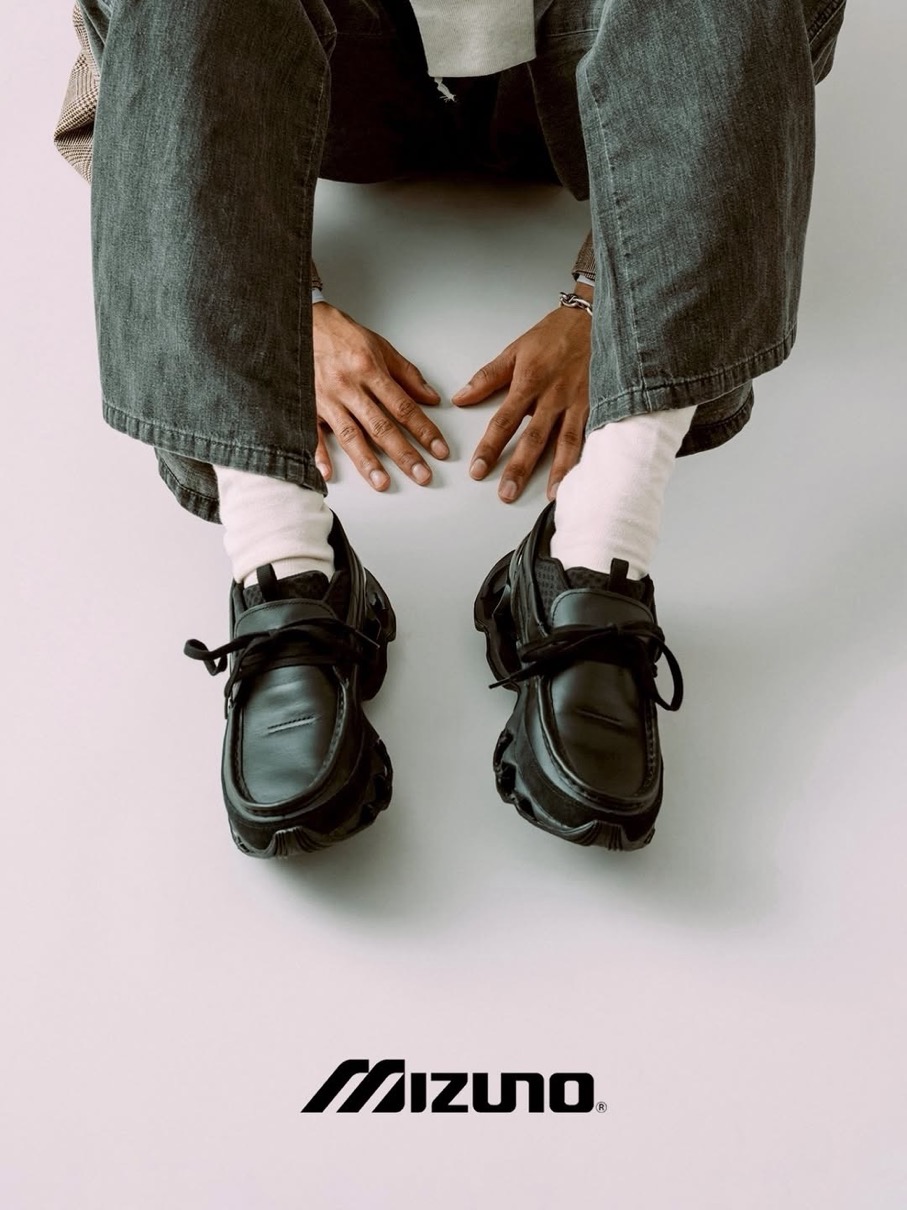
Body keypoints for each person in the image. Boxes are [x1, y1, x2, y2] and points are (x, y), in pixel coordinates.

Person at [53, 0, 848, 857]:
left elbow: (764, 55)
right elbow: (132, 80)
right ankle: (278, 564)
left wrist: (610, 300)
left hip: (586, 78)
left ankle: (600, 552)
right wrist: (277, 306)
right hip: (339, 78)